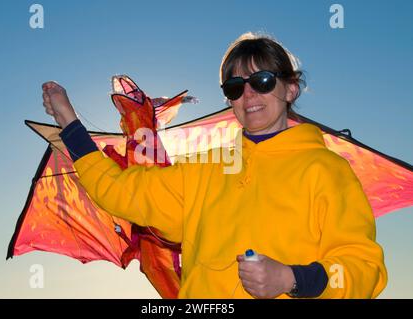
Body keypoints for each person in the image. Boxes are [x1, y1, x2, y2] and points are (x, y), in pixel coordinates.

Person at [41, 32, 387, 298]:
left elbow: (364, 267)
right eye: (235, 87)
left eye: (262, 81)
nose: (248, 95)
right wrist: (69, 123)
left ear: (291, 89)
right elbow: (118, 190)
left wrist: (292, 278)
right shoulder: (205, 168)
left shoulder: (326, 169)